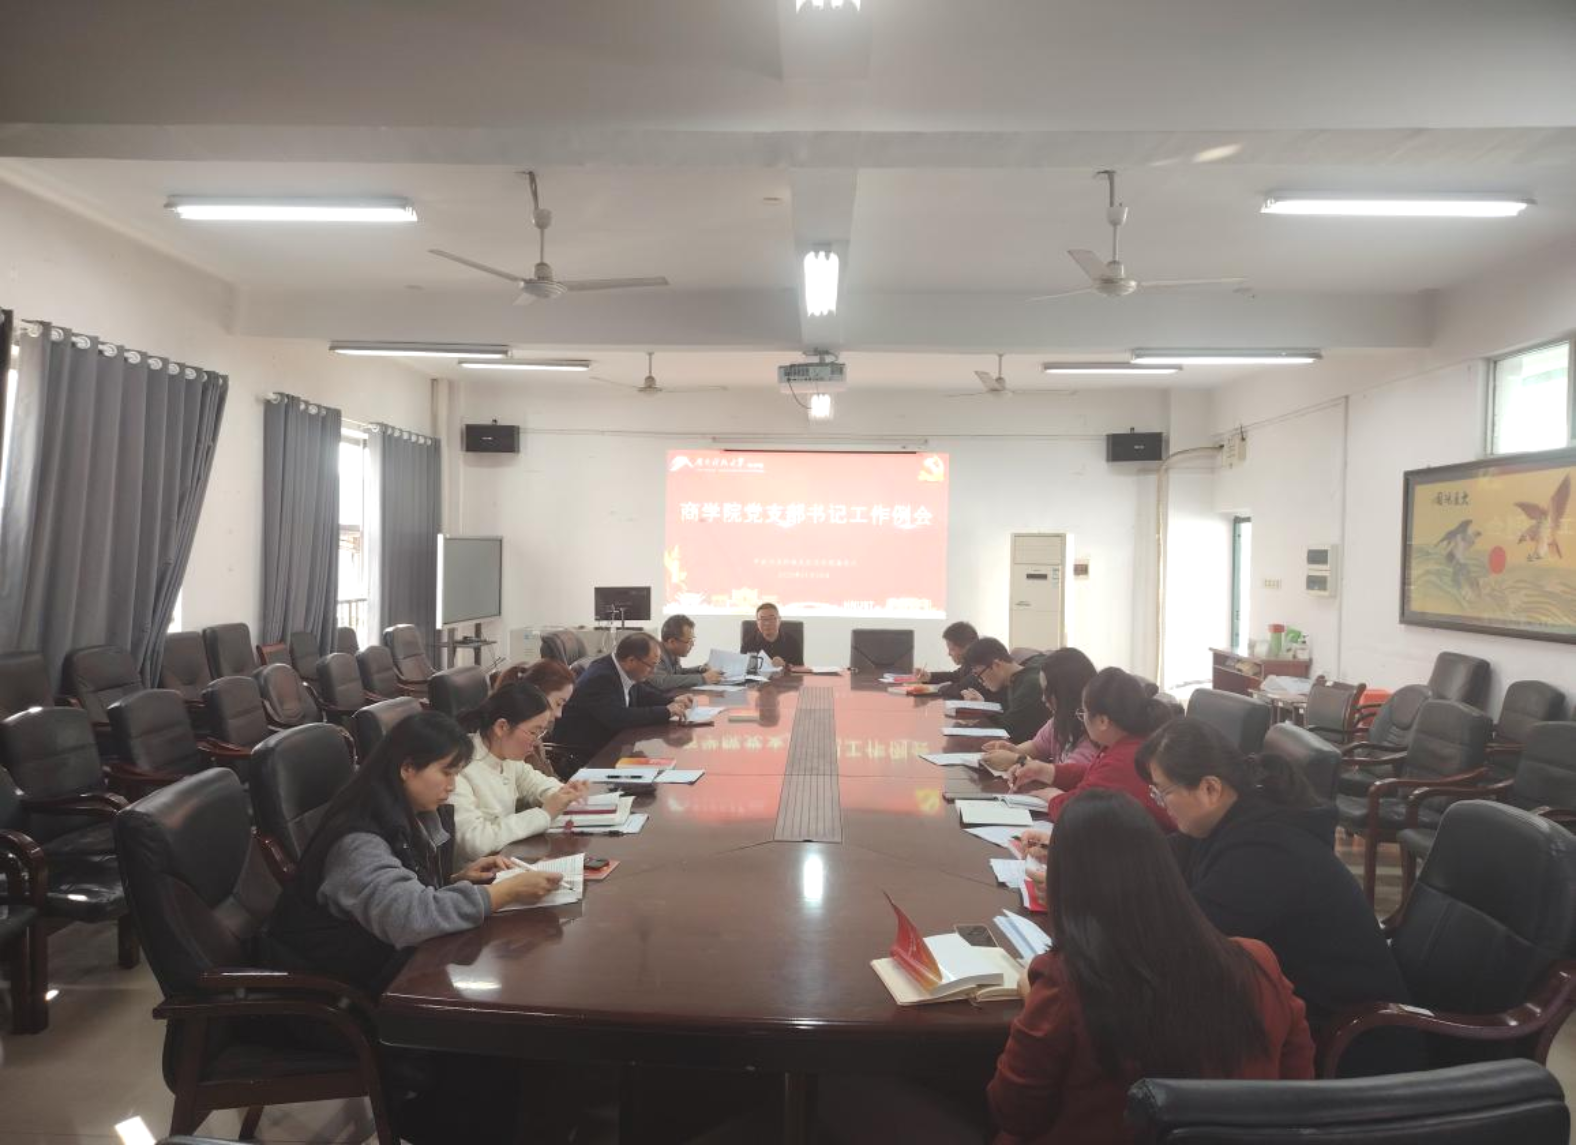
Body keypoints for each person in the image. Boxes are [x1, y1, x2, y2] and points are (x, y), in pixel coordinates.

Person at [261, 711, 569, 1142]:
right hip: (332, 1001)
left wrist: (458, 879)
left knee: (501, 1026)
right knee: (490, 1033)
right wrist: (502, 894)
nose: (453, 785)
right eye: (446, 772)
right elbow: (411, 918)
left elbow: (402, 891)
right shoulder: (357, 840)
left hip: (377, 969)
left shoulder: (400, 810)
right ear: (407, 767)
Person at [988, 789, 1314, 1145]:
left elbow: (1014, 1112)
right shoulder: (1258, 962)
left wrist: (1032, 1002)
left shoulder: (1065, 983)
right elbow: (1297, 1092)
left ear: (1065, 883)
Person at [1136, 718, 1419, 1076]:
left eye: (1162, 792)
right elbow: (1166, 857)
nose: (1160, 804)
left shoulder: (1265, 852)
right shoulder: (1235, 817)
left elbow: (1185, 943)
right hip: (1291, 1010)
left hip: (1350, 1044)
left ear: (1209, 788)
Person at [1019, 666, 1177, 836]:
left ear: (1102, 721)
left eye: (1084, 712)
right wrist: (1046, 771)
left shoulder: (1124, 759)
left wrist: (1052, 796)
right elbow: (1094, 777)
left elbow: (1075, 815)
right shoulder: (1129, 743)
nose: (1082, 719)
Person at [449, 682, 592, 863]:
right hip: (478, 874)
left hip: (507, 860)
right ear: (502, 727)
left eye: (541, 733)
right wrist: (545, 814)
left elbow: (536, 784)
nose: (536, 742)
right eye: (533, 732)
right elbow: (475, 843)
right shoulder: (458, 767)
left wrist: (565, 794)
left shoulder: (505, 755)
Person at [553, 632, 694, 760]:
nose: (653, 671)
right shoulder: (601, 678)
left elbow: (642, 694)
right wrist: (666, 711)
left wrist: (672, 700)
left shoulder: (622, 670)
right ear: (631, 661)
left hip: (613, 744)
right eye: (651, 665)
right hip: (586, 754)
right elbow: (619, 717)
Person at [981, 647, 1099, 778]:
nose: (1043, 699)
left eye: (1047, 692)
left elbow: (1067, 777)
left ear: (1065, 692)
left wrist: (1017, 760)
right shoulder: (1059, 721)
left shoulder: (1094, 736)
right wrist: (1012, 750)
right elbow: (1037, 747)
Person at [959, 637, 1049, 743]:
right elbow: (1008, 721)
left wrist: (981, 710)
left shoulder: (1030, 686)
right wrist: (982, 707)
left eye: (978, 675)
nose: (980, 681)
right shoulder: (1016, 680)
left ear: (996, 665)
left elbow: (1007, 731)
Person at [517, 658, 579, 778]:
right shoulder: (518, 738)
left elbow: (547, 778)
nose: (559, 714)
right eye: (558, 703)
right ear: (536, 693)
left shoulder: (537, 732)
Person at [651, 614, 724, 691]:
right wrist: (703, 678)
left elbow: (678, 673)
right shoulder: (655, 653)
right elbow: (663, 681)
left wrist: (700, 669)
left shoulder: (673, 652)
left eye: (693, 639)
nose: (692, 644)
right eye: (689, 641)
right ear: (672, 642)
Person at [911, 620, 981, 699]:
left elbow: (960, 689)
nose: (948, 654)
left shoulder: (980, 667)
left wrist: (938, 688)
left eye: (952, 649)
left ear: (967, 648)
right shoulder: (969, 664)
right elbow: (954, 676)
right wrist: (929, 676)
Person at [739, 602, 804, 668]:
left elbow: (800, 669)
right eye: (763, 619)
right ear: (757, 622)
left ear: (779, 620)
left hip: (785, 675)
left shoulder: (792, 642)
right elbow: (741, 669)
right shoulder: (748, 644)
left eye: (771, 618)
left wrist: (785, 665)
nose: (767, 623)